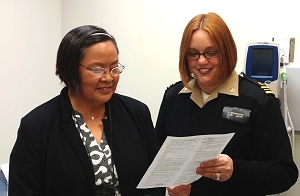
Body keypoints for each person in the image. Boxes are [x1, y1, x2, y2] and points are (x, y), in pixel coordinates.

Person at [9, 25, 165, 196]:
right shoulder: (37, 127)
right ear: (70, 70)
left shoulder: (136, 113)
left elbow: (155, 181)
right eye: (97, 69)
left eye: (114, 68)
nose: (108, 77)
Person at [155, 12, 298, 196]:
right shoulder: (173, 98)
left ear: (227, 51)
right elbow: (156, 161)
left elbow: (285, 174)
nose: (201, 61)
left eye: (211, 52)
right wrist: (170, 184)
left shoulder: (257, 101)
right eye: (193, 54)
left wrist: (235, 170)